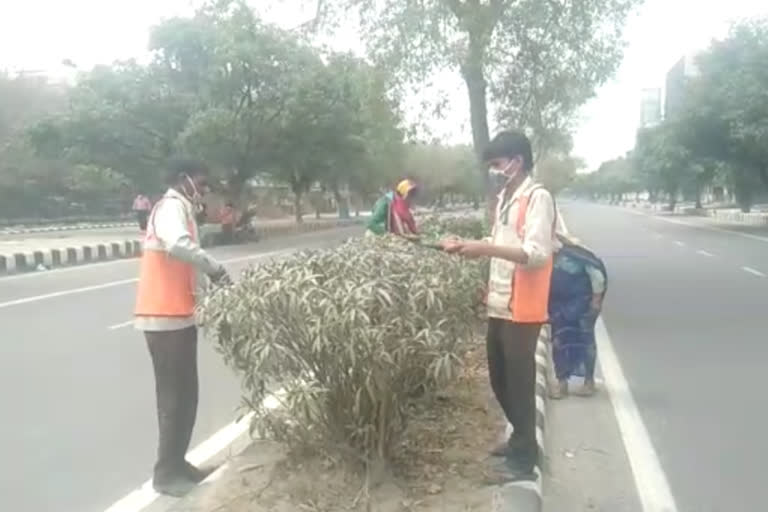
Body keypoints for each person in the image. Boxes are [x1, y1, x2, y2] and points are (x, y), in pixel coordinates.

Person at [441, 130, 556, 479]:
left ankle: (524, 462)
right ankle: (520, 439)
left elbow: (536, 254)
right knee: (500, 378)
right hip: (500, 302)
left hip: (523, 307)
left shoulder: (538, 197)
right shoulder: (507, 196)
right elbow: (499, 241)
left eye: (497, 164)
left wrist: (486, 249)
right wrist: (468, 244)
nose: (493, 171)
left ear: (517, 162)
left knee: (519, 384)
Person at [134, 159, 230, 496]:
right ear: (182, 179)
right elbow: (177, 244)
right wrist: (216, 269)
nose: (204, 189)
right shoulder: (171, 207)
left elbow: (185, 264)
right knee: (175, 396)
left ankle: (178, 463)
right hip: (164, 317)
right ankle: (166, 473)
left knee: (187, 394)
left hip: (179, 315)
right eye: (201, 183)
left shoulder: (183, 209)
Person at [548, 234, 607, 398]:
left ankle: (589, 382)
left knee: (585, 340)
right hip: (558, 307)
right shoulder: (545, 258)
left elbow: (597, 276)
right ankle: (562, 383)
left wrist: (595, 301)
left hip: (582, 305)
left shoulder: (576, 255)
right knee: (559, 341)